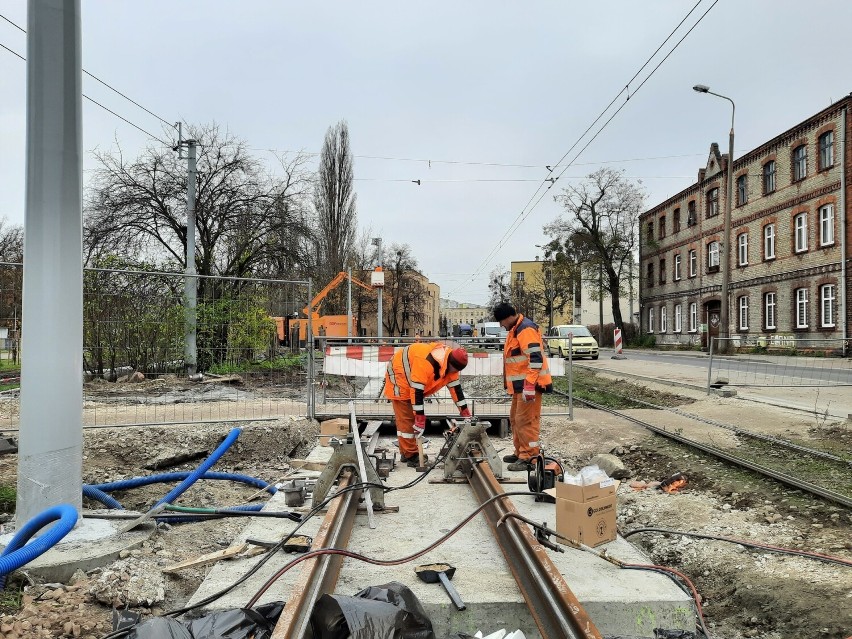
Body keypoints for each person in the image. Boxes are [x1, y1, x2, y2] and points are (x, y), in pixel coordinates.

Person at [383, 343, 471, 466]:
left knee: (409, 420)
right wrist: (420, 418)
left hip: (411, 378)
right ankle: (411, 455)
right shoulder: (426, 361)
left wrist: (465, 412)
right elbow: (417, 390)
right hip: (400, 379)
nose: (454, 372)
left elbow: (456, 389)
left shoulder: (450, 362)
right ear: (449, 363)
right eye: (454, 369)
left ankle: (406, 452)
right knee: (407, 419)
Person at [493, 302, 553, 471]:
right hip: (520, 386)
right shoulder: (516, 329)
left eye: (501, 322)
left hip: (530, 386)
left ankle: (530, 456)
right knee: (515, 419)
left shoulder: (525, 329)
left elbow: (535, 358)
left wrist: (529, 385)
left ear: (508, 317)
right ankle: (520, 452)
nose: (501, 325)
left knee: (526, 421)